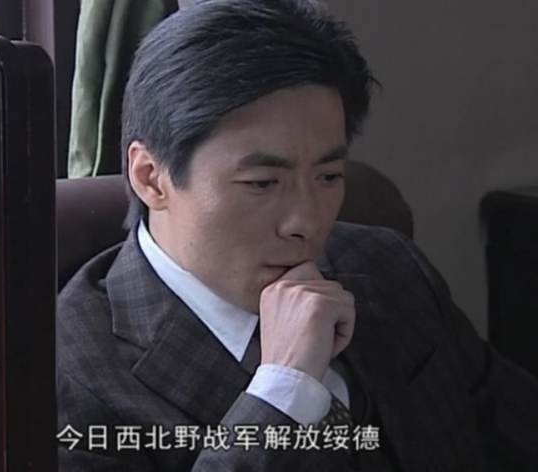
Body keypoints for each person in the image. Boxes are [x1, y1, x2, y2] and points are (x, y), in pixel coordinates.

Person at [56, 1, 538, 470]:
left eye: (328, 177)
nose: (305, 222)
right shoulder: (66, 377)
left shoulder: (388, 266)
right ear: (151, 178)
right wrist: (283, 389)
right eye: (262, 184)